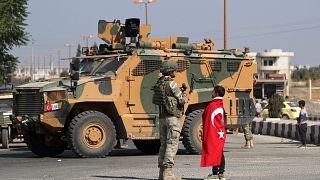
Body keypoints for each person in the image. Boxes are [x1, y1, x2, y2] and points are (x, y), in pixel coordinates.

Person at [153, 60, 188, 180]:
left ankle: (162, 173)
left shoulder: (159, 83)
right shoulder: (172, 84)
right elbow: (181, 100)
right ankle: (168, 173)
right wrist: (185, 95)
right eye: (174, 70)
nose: (176, 72)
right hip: (172, 118)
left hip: (162, 117)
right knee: (172, 144)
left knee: (163, 145)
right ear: (170, 71)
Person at [201, 85, 226, 180]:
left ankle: (215, 174)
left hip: (213, 132)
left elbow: (205, 116)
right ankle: (221, 173)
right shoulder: (221, 105)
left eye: (213, 91)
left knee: (214, 151)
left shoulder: (212, 105)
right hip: (220, 132)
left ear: (216, 93)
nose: (211, 93)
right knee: (219, 151)